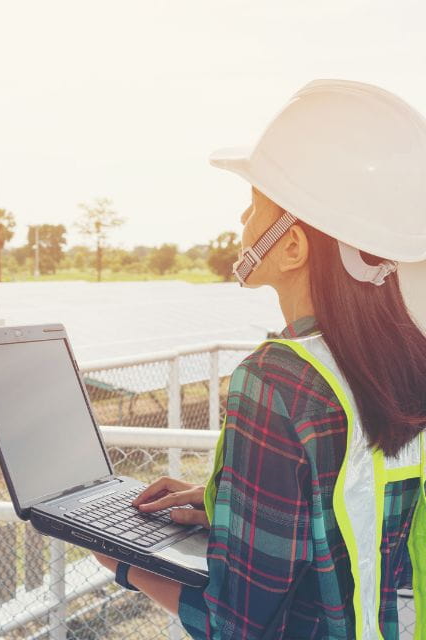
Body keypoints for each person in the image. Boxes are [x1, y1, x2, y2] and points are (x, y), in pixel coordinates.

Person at [93, 79, 426, 639]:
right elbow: (358, 510)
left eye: (252, 209)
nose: (240, 227)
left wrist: (119, 562)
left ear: (292, 247)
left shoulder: (278, 381)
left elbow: (236, 625)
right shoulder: (404, 361)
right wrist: (227, 501)